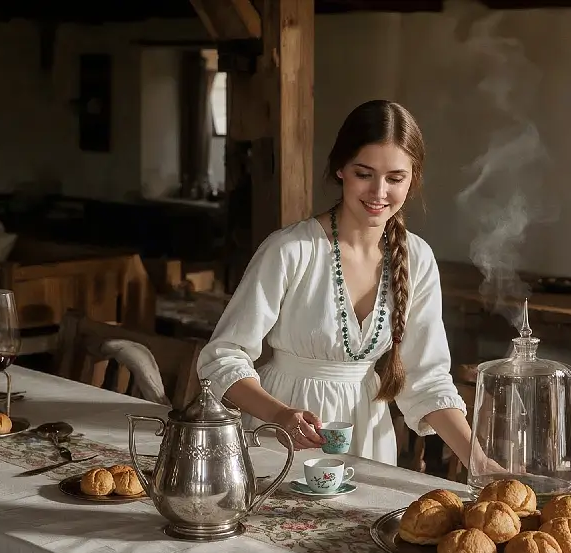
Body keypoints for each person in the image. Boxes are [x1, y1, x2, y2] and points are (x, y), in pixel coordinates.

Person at [197, 99, 475, 467]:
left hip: (369, 441)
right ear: (340, 168)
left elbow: (426, 380)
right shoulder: (291, 250)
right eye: (364, 173)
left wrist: (479, 461)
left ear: (413, 179)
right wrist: (281, 416)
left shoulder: (417, 259)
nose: (379, 192)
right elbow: (221, 359)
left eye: (395, 178)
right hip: (281, 438)